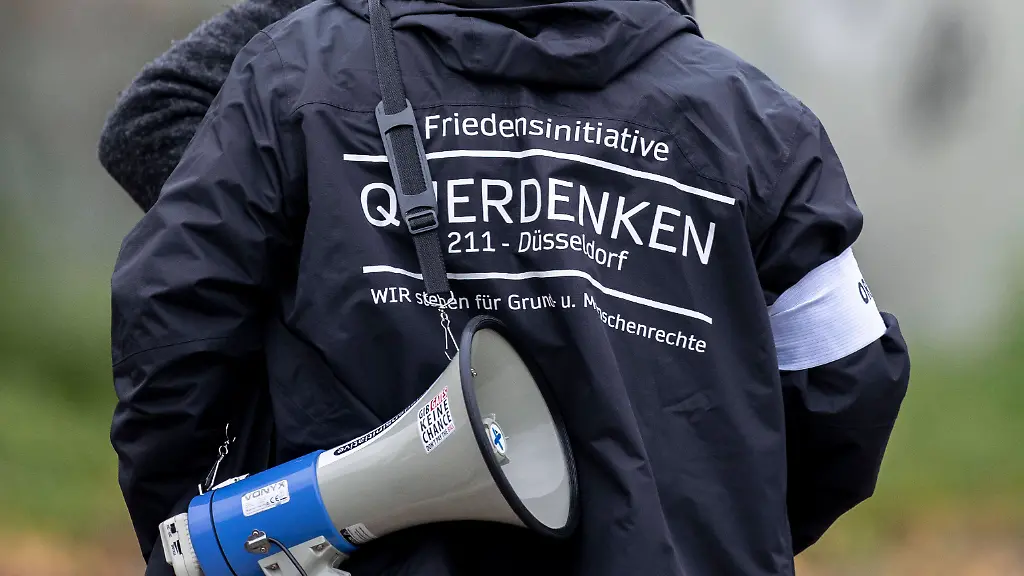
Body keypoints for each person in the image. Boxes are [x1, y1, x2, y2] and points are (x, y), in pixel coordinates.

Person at [105, 0, 911, 573]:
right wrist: (708, 528)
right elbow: (847, 382)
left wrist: (229, 529)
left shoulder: (292, 71)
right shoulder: (761, 125)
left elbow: (168, 324)